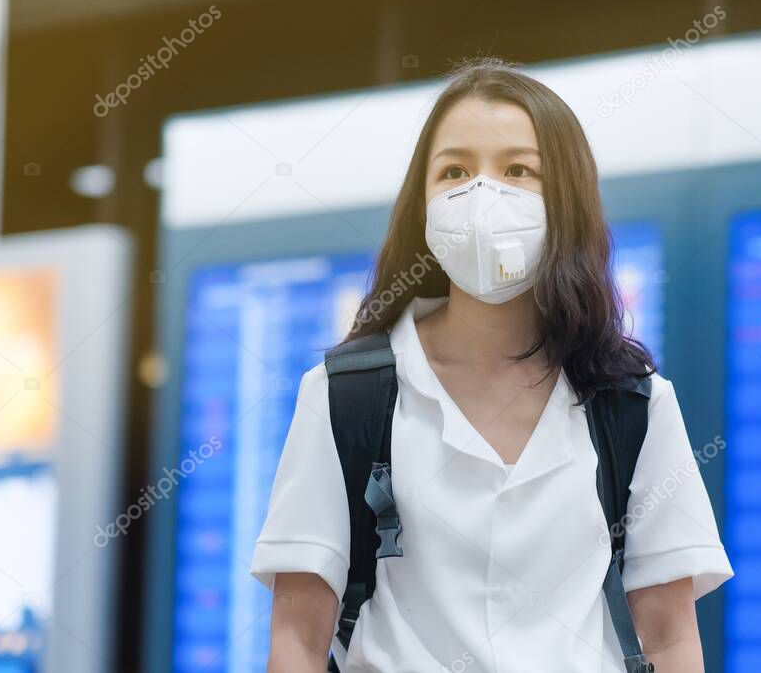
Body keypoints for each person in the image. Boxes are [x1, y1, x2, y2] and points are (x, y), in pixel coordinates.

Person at [249, 56, 733, 672]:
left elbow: (669, 640)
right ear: (421, 203)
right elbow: (296, 640)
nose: (482, 195)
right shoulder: (345, 396)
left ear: (565, 199)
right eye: (454, 170)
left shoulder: (632, 403)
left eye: (517, 171)